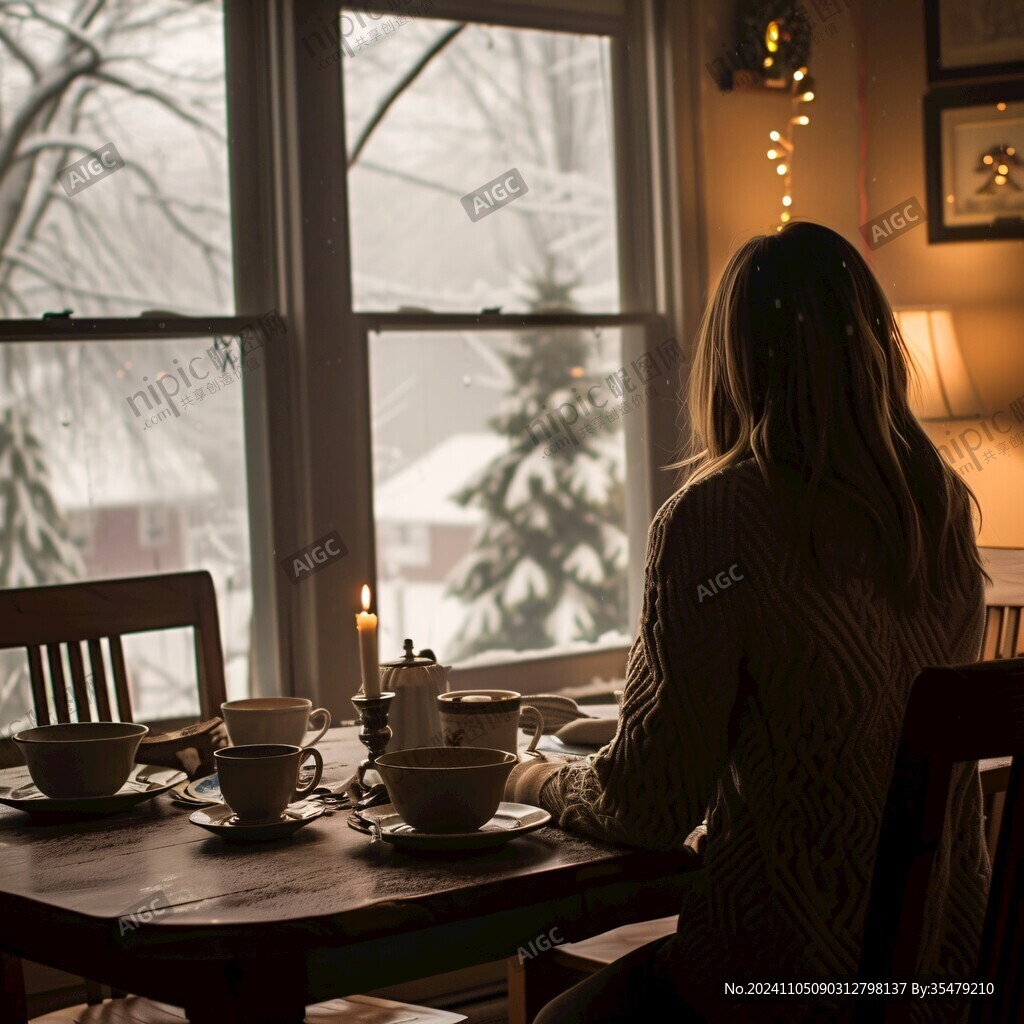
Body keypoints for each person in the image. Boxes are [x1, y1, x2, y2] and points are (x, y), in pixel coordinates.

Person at [505, 221, 991, 1023]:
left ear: (735, 359)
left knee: (558, 1017)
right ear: (874, 341)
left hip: (780, 987)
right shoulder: (937, 508)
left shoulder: (715, 519)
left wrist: (524, 779)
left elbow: (649, 808)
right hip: (947, 985)